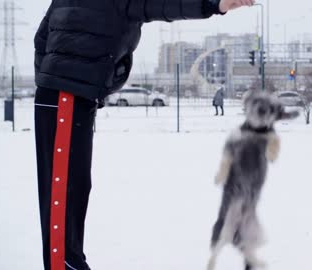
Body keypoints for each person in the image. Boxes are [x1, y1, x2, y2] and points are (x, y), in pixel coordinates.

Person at [33, 0, 254, 269]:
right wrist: (214, 3)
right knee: (63, 192)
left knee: (76, 187)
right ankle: (64, 264)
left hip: (69, 95)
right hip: (65, 96)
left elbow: (40, 40)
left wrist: (51, 78)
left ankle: (70, 261)